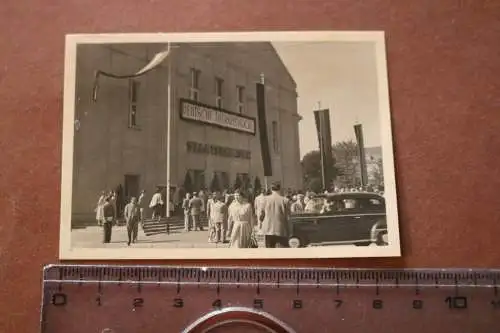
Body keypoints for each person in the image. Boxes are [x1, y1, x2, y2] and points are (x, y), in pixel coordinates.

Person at [259, 182, 290, 248]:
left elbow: (261, 215)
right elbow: (288, 217)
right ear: (280, 189)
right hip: (281, 229)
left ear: (271, 189)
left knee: (270, 252)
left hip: (267, 229)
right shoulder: (285, 200)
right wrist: (289, 230)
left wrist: (261, 225)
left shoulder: (264, 199)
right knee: (281, 253)